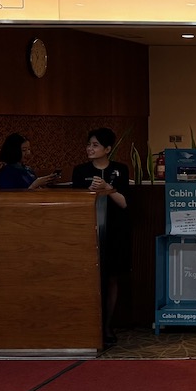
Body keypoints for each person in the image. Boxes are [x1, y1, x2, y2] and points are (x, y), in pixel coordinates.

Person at [70, 127, 130, 347]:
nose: (90, 149)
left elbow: (124, 203)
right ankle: (89, 326)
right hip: (88, 231)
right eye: (88, 144)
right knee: (90, 279)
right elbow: (75, 204)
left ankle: (107, 325)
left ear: (107, 149)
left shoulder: (120, 170)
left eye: (95, 145)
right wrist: (91, 192)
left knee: (112, 277)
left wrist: (108, 188)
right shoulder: (79, 171)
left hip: (114, 231)